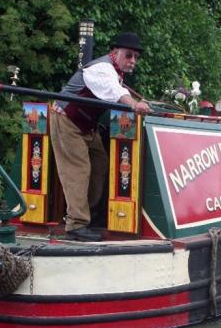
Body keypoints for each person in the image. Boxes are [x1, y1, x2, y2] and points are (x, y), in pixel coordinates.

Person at [50, 32, 151, 241]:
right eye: (129, 55)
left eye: (136, 57)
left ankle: (88, 214)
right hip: (67, 120)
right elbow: (113, 91)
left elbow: (116, 89)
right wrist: (133, 104)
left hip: (87, 126)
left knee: (100, 165)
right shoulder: (102, 68)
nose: (133, 61)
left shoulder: (116, 72)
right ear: (115, 52)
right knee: (78, 171)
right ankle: (75, 225)